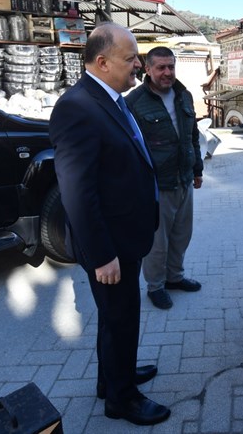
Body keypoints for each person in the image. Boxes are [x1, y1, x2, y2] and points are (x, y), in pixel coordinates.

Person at [49, 23, 170, 426]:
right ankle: (122, 399)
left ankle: (112, 377)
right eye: (130, 58)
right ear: (101, 62)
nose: (138, 64)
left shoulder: (112, 98)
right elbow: (77, 192)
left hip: (127, 235)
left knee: (116, 316)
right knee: (121, 317)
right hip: (109, 245)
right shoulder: (77, 107)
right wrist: (102, 255)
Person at [126, 47, 203, 310]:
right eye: (161, 67)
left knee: (182, 234)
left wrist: (197, 170)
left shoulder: (184, 96)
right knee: (158, 242)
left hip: (183, 179)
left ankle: (174, 277)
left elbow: (193, 135)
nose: (167, 72)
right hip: (157, 185)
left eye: (171, 66)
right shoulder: (134, 102)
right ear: (146, 69)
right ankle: (155, 286)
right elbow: (128, 149)